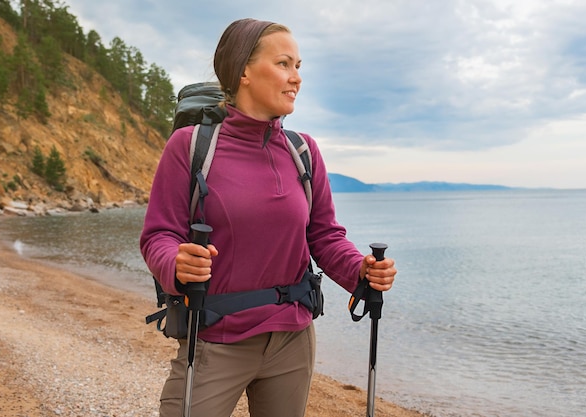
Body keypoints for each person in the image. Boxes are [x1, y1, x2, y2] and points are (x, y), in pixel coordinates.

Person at [140, 18, 397, 417]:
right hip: (215, 337)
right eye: (284, 64)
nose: (296, 78)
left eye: (299, 66)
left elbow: (325, 236)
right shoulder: (190, 147)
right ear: (243, 70)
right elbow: (158, 234)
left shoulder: (303, 151)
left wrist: (361, 271)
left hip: (292, 340)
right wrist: (175, 262)